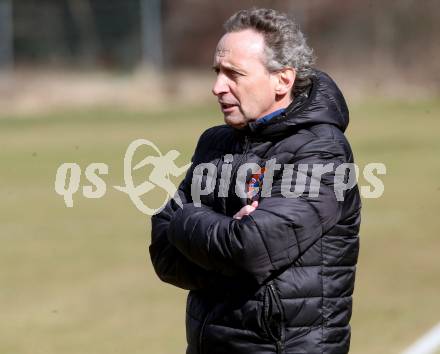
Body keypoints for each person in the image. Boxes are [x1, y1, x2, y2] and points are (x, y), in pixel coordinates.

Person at [150, 8, 361, 354]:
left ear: (283, 80)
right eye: (217, 72)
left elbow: (249, 248)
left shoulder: (323, 151)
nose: (218, 87)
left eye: (234, 74)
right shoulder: (214, 143)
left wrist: (186, 221)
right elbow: (164, 255)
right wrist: (224, 238)